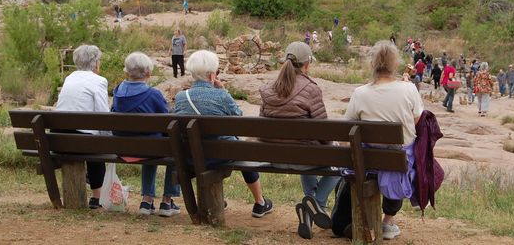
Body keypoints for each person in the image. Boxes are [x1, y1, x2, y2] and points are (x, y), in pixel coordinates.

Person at [173, 50, 273, 218]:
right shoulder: (221, 96)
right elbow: (238, 119)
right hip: (220, 156)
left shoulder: (181, 97)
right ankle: (260, 202)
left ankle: (214, 201)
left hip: (190, 156)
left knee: (229, 145)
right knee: (240, 148)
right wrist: (223, 90)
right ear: (212, 75)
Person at [345, 41, 423, 240]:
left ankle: (357, 218)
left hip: (367, 162)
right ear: (395, 65)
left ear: (373, 64)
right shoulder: (409, 89)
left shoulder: (360, 93)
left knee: (374, 154)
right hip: (399, 160)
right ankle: (388, 222)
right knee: (403, 155)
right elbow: (416, 120)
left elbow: (347, 126)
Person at [259, 42, 339, 232]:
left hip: (274, 158)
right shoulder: (311, 89)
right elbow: (324, 134)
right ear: (307, 64)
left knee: (305, 151)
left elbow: (261, 129)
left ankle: (308, 214)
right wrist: (332, 144)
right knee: (340, 162)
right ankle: (317, 203)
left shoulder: (268, 88)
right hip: (304, 159)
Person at [111, 52, 181, 216]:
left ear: (126, 71)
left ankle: (147, 200)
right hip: (149, 149)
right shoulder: (153, 94)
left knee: (150, 141)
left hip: (122, 149)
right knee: (175, 147)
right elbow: (166, 121)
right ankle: (167, 201)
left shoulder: (117, 92)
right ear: (148, 73)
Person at [54, 45, 109, 209]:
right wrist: (108, 137)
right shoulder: (99, 81)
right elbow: (103, 115)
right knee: (96, 143)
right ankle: (97, 197)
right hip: (82, 142)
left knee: (89, 139)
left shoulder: (69, 78)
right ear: (96, 62)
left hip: (58, 139)